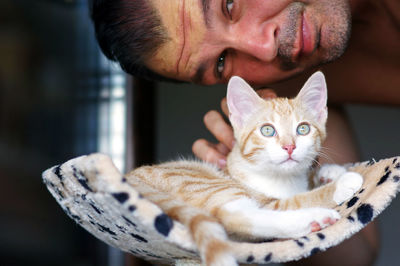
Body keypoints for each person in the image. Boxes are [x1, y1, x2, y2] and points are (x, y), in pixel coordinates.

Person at [92, 0, 399, 265]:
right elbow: (357, 255)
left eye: (228, 4)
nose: (263, 48)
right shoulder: (293, 87)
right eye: (222, 62)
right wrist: (259, 205)